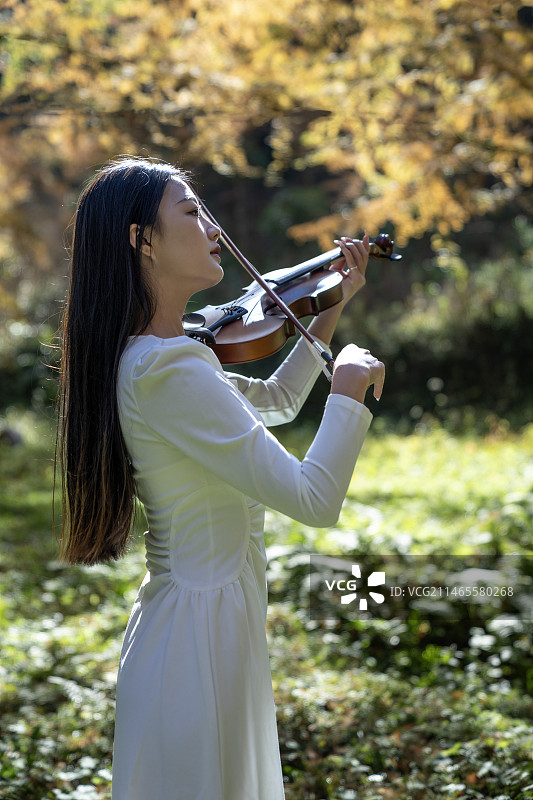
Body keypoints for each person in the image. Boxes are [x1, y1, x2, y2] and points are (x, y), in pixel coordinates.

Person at [56, 156, 385, 800]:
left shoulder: (161, 360)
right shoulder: (166, 370)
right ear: (142, 240)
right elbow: (313, 499)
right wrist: (348, 391)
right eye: (191, 211)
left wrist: (326, 309)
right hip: (196, 645)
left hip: (207, 627)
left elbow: (277, 400)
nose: (210, 227)